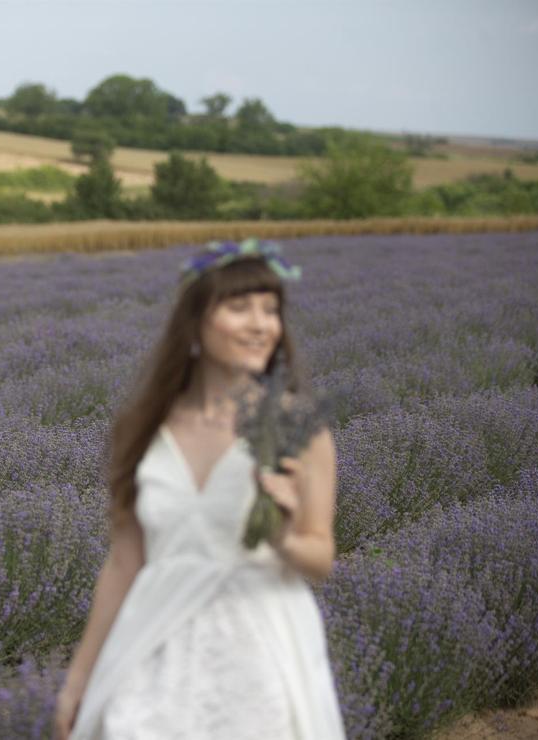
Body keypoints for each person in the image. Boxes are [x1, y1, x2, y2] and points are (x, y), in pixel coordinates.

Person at [55, 241, 345, 739]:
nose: (260, 324)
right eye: (240, 307)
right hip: (154, 643)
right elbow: (125, 562)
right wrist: (79, 679)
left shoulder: (297, 428)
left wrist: (284, 539)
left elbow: (320, 558)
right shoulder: (145, 427)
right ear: (195, 323)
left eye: (270, 310)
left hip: (258, 654)